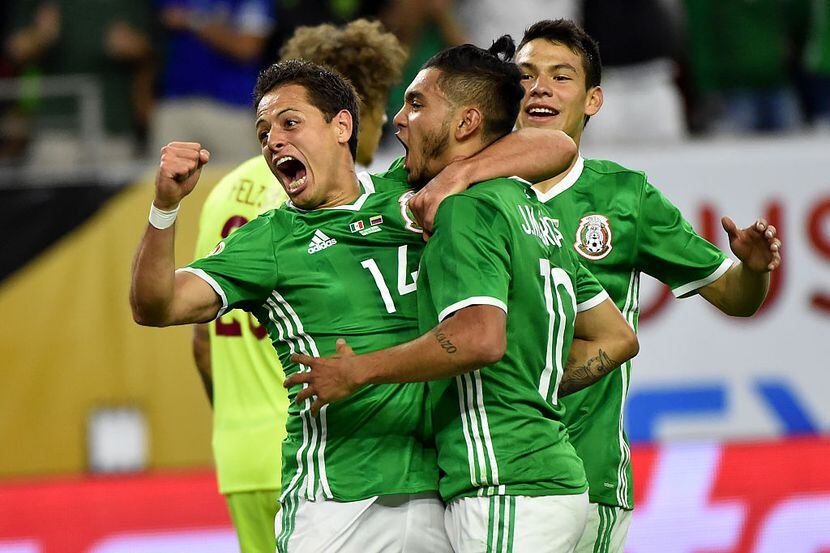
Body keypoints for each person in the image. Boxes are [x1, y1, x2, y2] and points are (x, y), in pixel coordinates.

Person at [131, 59, 578, 552]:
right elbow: (157, 305)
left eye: (289, 122)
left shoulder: (404, 192)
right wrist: (164, 207)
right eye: (263, 132)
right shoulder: (270, 240)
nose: (273, 140)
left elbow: (557, 146)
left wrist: (460, 175)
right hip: (336, 500)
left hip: (438, 492)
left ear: (341, 125)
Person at [285, 38, 639, 552]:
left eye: (416, 103)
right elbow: (617, 335)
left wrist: (360, 370)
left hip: (503, 482)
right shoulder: (528, 207)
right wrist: (533, 389)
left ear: (466, 122)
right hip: (549, 473)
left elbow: (478, 339)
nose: (397, 120)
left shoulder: (463, 210)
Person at [511, 19, 782, 553]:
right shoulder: (468, 193)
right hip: (485, 472)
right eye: (525, 75)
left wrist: (753, 271)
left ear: (593, 101)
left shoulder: (624, 197)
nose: (539, 87)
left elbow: (735, 298)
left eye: (560, 77)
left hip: (590, 481)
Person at [190, 20, 407, 552]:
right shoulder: (317, 204)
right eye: (378, 112)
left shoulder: (224, 193)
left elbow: (201, 341)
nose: (379, 130)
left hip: (240, 452)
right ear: (347, 116)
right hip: (322, 452)